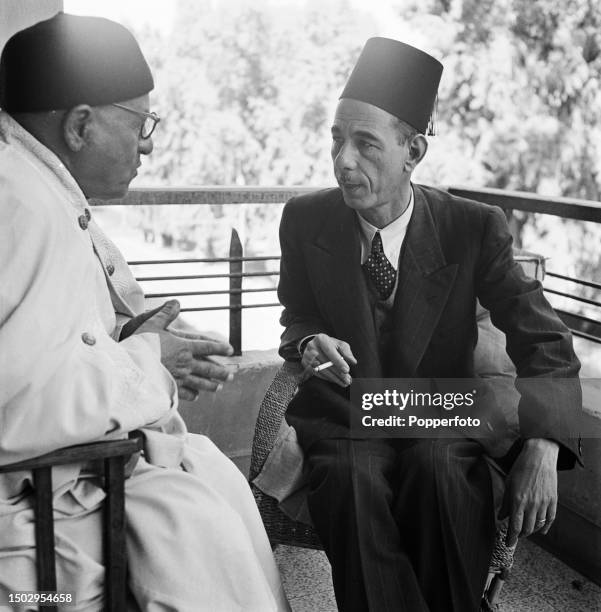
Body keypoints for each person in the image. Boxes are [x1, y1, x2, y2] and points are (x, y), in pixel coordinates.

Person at [275, 37, 582, 612]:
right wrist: (310, 341)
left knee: (440, 470)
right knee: (350, 480)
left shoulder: (473, 227)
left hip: (440, 414)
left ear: (413, 150)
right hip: (347, 417)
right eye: (337, 139)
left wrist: (543, 443)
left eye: (366, 145)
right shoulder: (304, 219)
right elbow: (297, 314)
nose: (343, 161)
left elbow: (544, 337)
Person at [0, 13, 288, 611]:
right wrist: (151, 361)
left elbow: (55, 340)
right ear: (80, 125)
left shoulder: (32, 183)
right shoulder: (23, 205)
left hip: (66, 474)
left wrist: (137, 335)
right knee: (199, 521)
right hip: (36, 513)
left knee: (208, 482)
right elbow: (18, 404)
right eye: (142, 123)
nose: (149, 144)